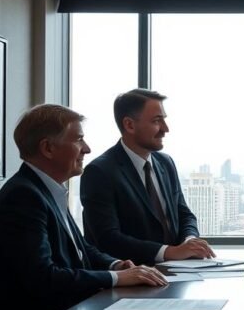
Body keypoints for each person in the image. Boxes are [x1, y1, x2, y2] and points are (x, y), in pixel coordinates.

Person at [0, 104, 168, 310]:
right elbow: (44, 278)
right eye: (78, 140)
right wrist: (117, 279)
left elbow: (79, 248)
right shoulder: (23, 197)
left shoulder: (45, 189)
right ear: (48, 148)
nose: (87, 149)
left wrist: (115, 265)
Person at [80, 89, 214, 265]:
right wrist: (169, 252)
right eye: (157, 121)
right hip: (130, 277)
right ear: (129, 125)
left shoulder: (166, 163)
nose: (165, 129)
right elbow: (108, 238)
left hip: (178, 272)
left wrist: (190, 242)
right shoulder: (100, 171)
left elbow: (184, 214)